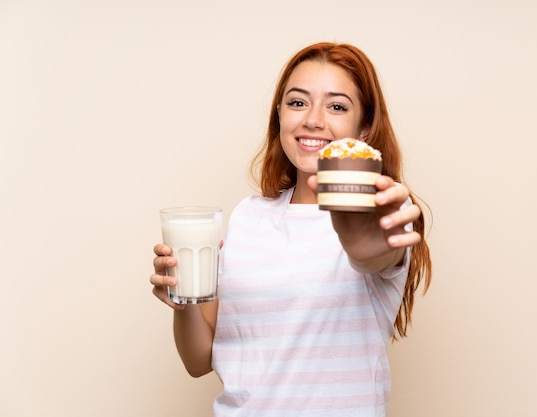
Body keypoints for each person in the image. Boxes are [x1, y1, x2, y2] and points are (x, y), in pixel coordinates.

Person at [150, 42, 432, 417]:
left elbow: (373, 253)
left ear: (363, 129)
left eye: (337, 106)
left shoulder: (384, 215)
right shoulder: (247, 217)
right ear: (279, 116)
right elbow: (199, 361)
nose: (313, 120)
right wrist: (181, 301)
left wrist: (363, 243)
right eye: (298, 102)